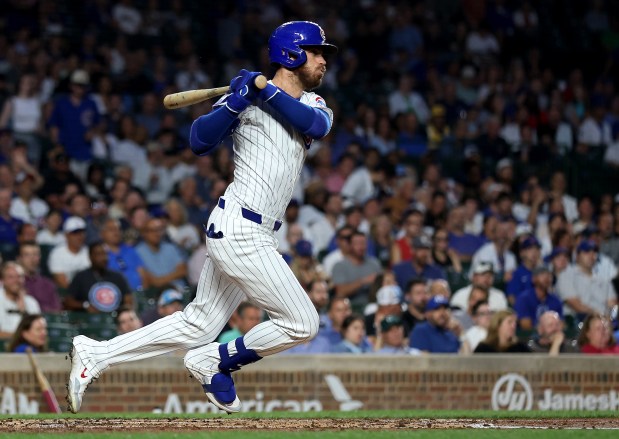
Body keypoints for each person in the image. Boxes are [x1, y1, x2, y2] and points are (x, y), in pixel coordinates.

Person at [67, 21, 338, 414]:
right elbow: (198, 141)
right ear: (291, 54)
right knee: (302, 323)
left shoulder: (311, 104)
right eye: (316, 52)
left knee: (199, 324)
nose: (323, 60)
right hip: (240, 229)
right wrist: (235, 103)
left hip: (259, 231)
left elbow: (316, 126)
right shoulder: (246, 99)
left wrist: (264, 90)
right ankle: (215, 361)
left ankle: (95, 353)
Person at [64, 241, 134, 313]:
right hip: (89, 320)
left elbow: (128, 300)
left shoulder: (118, 276)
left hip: (115, 319)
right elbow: (68, 301)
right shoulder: (81, 277)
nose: (103, 258)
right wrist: (85, 305)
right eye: (99, 254)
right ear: (90, 257)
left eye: (105, 254)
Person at [17, 242, 62, 313]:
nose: (32, 259)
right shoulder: (14, 283)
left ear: (40, 257)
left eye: (35, 255)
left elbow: (57, 310)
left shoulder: (48, 284)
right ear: (19, 258)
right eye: (27, 255)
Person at [514, 266, 563, 330]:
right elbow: (525, 325)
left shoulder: (556, 300)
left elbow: (561, 324)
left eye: (549, 275)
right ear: (533, 279)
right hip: (530, 338)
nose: (546, 278)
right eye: (542, 274)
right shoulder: (524, 298)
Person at [0, 262, 41, 339]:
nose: (16, 280)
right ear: (3, 280)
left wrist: (24, 312)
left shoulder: (31, 302)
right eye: (11, 277)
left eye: (19, 276)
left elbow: (38, 332)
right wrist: (21, 337)